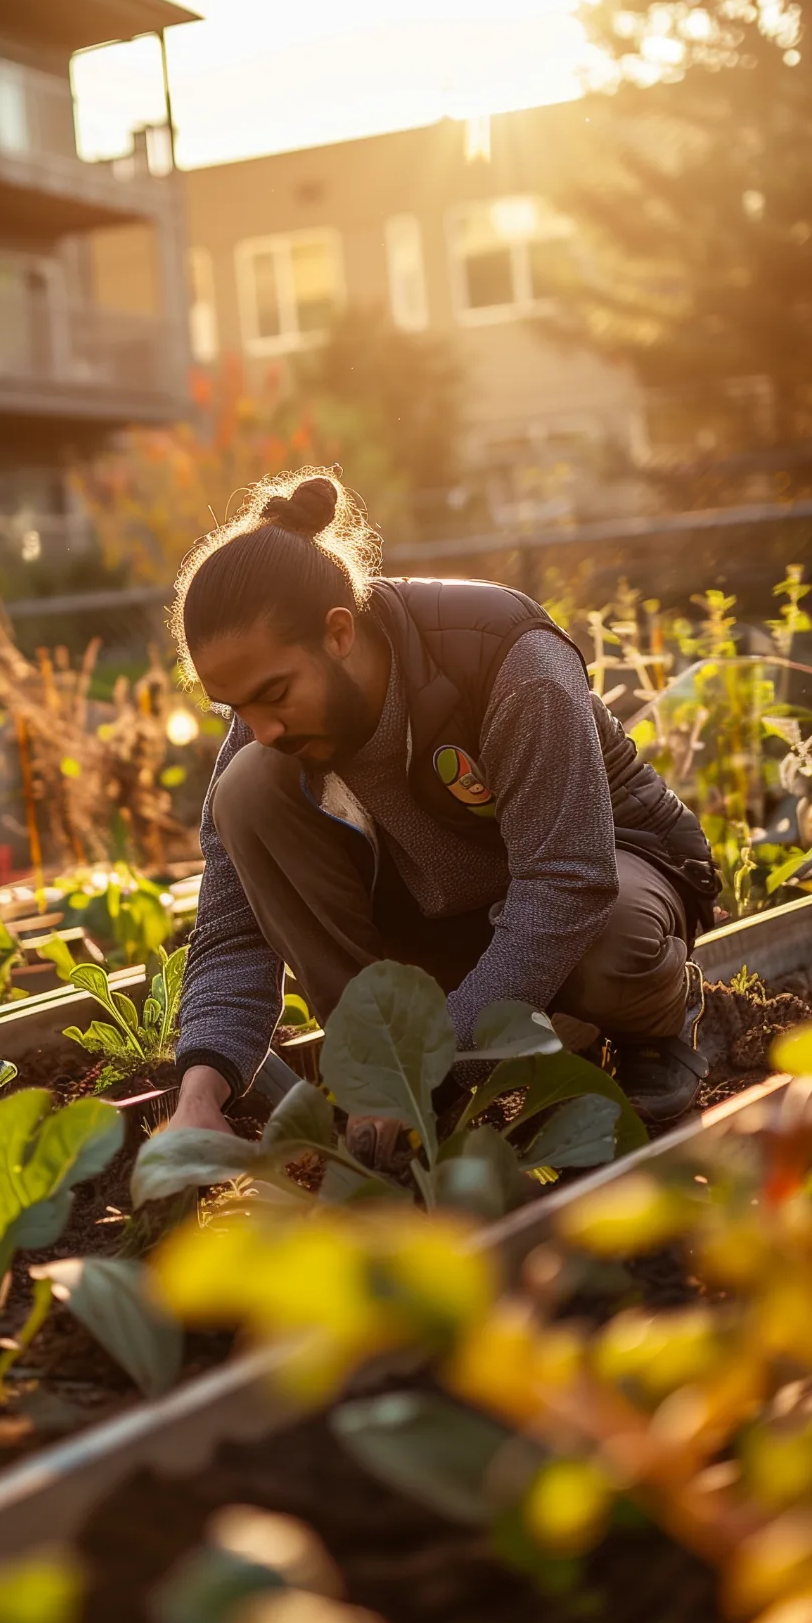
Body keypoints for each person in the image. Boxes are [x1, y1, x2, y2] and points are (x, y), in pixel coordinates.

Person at [168, 468, 720, 1139]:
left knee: (608, 955)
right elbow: (233, 923)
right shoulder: (272, 711)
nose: (260, 726)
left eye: (273, 695)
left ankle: (661, 1020)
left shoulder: (508, 661)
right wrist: (199, 1093)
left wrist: (435, 1061)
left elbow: (566, 886)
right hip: (459, 915)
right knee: (247, 790)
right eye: (237, 707)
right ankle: (395, 1075)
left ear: (338, 633)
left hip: (611, 871)